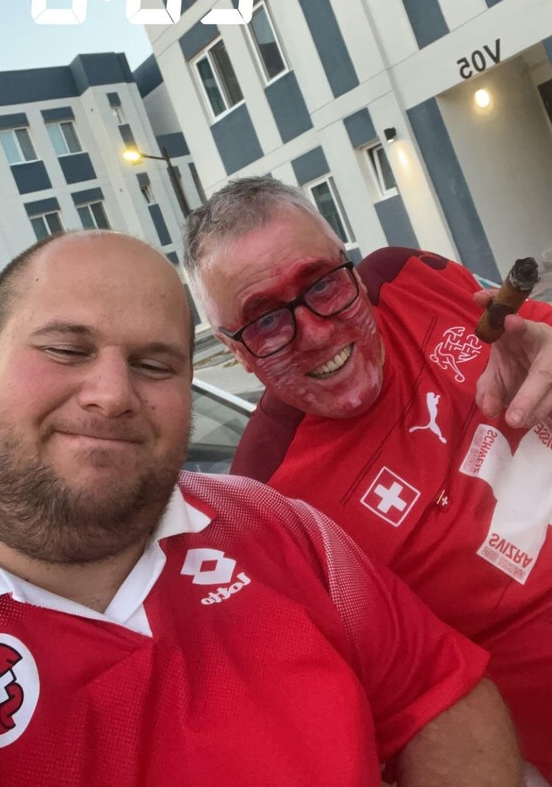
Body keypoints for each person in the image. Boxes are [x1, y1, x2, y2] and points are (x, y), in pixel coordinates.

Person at [0, 230, 521, 787]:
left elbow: (437, 694)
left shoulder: (270, 522)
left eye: (155, 365)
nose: (112, 395)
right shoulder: (278, 472)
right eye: (67, 350)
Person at [184, 176, 552, 785]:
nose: (318, 332)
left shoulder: (409, 277)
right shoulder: (272, 497)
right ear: (235, 353)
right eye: (266, 322)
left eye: (322, 284)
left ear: (350, 270)